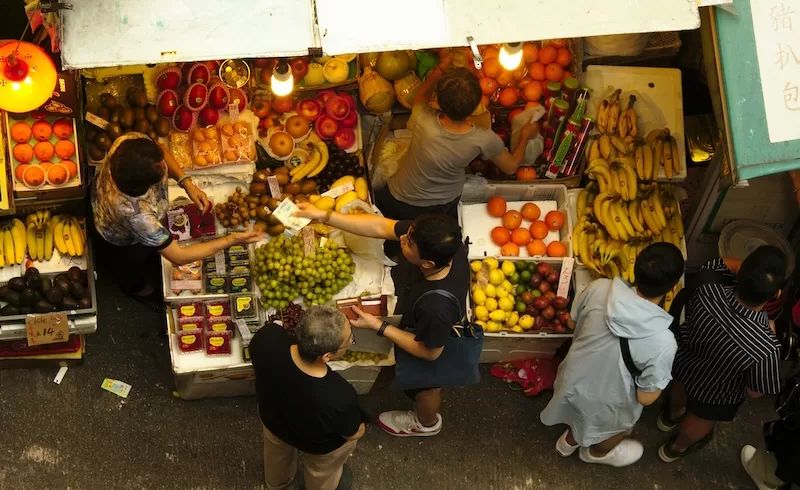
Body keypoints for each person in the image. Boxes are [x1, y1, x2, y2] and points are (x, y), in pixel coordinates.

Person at [295, 202, 468, 437]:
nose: (403, 239)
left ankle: (425, 423)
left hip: (430, 336)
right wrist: (325, 215)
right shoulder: (442, 241)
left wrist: (380, 326)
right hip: (420, 309)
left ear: (427, 263)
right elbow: (382, 226)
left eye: (408, 243)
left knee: (424, 385)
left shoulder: (435, 308)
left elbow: (430, 352)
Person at [540, 242, 685, 467]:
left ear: (635, 265)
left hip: (573, 378)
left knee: (575, 413)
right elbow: (645, 398)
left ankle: (566, 444)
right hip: (607, 404)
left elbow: (570, 322)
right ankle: (595, 454)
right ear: (673, 286)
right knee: (612, 428)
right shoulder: (664, 342)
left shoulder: (600, 288)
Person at [91, 133, 263, 298]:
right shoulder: (139, 216)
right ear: (146, 188)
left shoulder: (127, 143)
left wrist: (185, 182)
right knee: (130, 263)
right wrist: (231, 240)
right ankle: (134, 288)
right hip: (119, 233)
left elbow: (160, 151)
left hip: (100, 195)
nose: (164, 166)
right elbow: (179, 256)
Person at [657, 246, 786, 463]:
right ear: (775, 294)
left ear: (741, 272)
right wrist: (768, 333)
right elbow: (755, 392)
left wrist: (747, 268)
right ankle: (675, 448)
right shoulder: (766, 347)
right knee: (700, 418)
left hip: (684, 361)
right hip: (716, 391)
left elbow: (723, 262)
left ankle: (670, 416)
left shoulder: (707, 286)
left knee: (679, 386)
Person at [377, 53, 539, 225]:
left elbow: (421, 96)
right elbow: (511, 166)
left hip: (400, 194)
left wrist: (440, 68)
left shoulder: (422, 118)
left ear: (437, 102)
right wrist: (524, 137)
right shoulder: (483, 139)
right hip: (442, 203)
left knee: (389, 228)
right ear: (477, 106)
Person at [249, 306, 365, 490]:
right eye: (349, 339)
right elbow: (353, 432)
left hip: (274, 423)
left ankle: (277, 484)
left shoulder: (267, 338)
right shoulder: (338, 395)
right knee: (322, 474)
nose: (351, 341)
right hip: (315, 445)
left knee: (276, 456)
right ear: (326, 356)